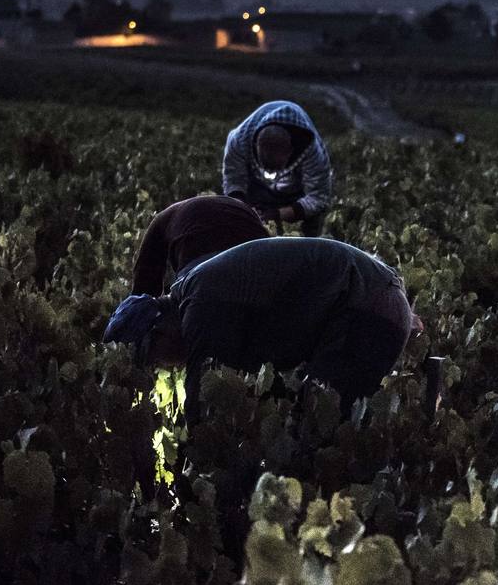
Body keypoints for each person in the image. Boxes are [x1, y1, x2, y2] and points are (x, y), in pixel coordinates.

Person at [104, 237, 415, 423]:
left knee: (321, 428)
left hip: (367, 309)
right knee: (304, 418)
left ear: (159, 331)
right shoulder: (195, 288)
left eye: (155, 360)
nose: (164, 368)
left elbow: (203, 399)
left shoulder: (200, 303)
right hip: (372, 302)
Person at [222, 101, 333, 236]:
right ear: (256, 145)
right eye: (265, 164)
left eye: (274, 166)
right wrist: (243, 211)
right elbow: (234, 180)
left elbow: (318, 198)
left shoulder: (314, 154)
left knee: (313, 223)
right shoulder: (239, 140)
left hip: (294, 193)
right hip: (256, 187)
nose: (269, 172)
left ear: (290, 152)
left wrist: (278, 215)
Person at [129, 195, 270, 296]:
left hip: (203, 270)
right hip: (259, 261)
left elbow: (143, 289)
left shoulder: (160, 221)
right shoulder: (239, 207)